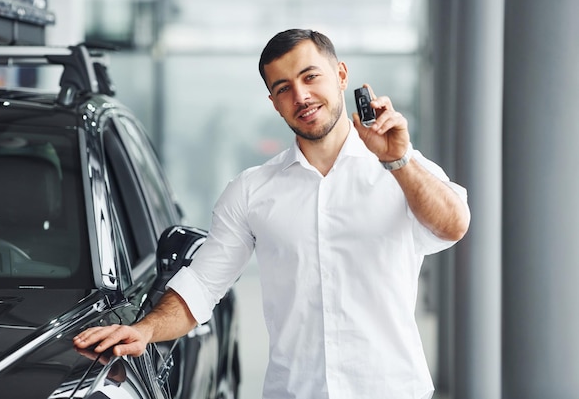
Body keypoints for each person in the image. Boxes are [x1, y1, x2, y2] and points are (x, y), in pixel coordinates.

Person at [74, 28, 470, 399]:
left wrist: (398, 160)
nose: (301, 95)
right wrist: (144, 330)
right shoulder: (251, 191)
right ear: (274, 102)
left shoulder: (403, 170)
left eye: (310, 76)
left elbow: (454, 226)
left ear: (342, 75)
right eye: (284, 88)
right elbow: (203, 286)